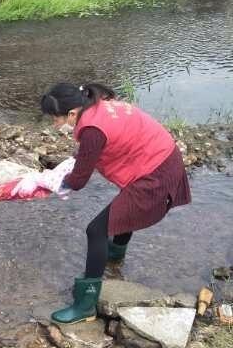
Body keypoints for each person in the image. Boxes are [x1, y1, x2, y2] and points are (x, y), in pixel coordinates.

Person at [40, 82, 191, 324]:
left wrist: (49, 182)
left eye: (54, 119)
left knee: (95, 230)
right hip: (164, 159)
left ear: (71, 113)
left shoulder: (91, 129)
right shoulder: (99, 105)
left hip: (155, 174)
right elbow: (97, 150)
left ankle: (85, 304)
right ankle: (115, 254)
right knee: (124, 207)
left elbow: (78, 181)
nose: (54, 124)